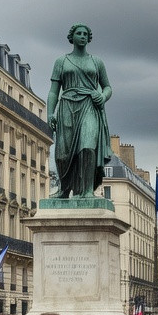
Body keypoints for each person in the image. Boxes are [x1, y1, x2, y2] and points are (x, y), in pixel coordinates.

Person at [47, 23, 112, 199]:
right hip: (67, 106)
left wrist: (102, 96)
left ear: (88, 38)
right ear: (72, 37)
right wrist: (50, 113)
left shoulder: (97, 62)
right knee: (63, 154)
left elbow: (107, 87)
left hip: (89, 105)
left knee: (87, 147)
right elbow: (53, 91)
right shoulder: (61, 61)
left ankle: (87, 190)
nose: (82, 36)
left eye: (85, 34)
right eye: (79, 33)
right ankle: (64, 189)